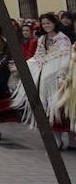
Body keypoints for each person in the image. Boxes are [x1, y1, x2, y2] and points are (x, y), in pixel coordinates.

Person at [10, 12, 73, 149]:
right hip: (45, 80)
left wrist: (62, 76)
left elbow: (66, 59)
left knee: (63, 110)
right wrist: (22, 67)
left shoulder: (63, 39)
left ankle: (71, 140)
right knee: (49, 110)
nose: (46, 26)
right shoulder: (42, 39)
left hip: (60, 79)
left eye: (48, 23)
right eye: (44, 24)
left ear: (54, 23)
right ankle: (57, 140)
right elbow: (37, 57)